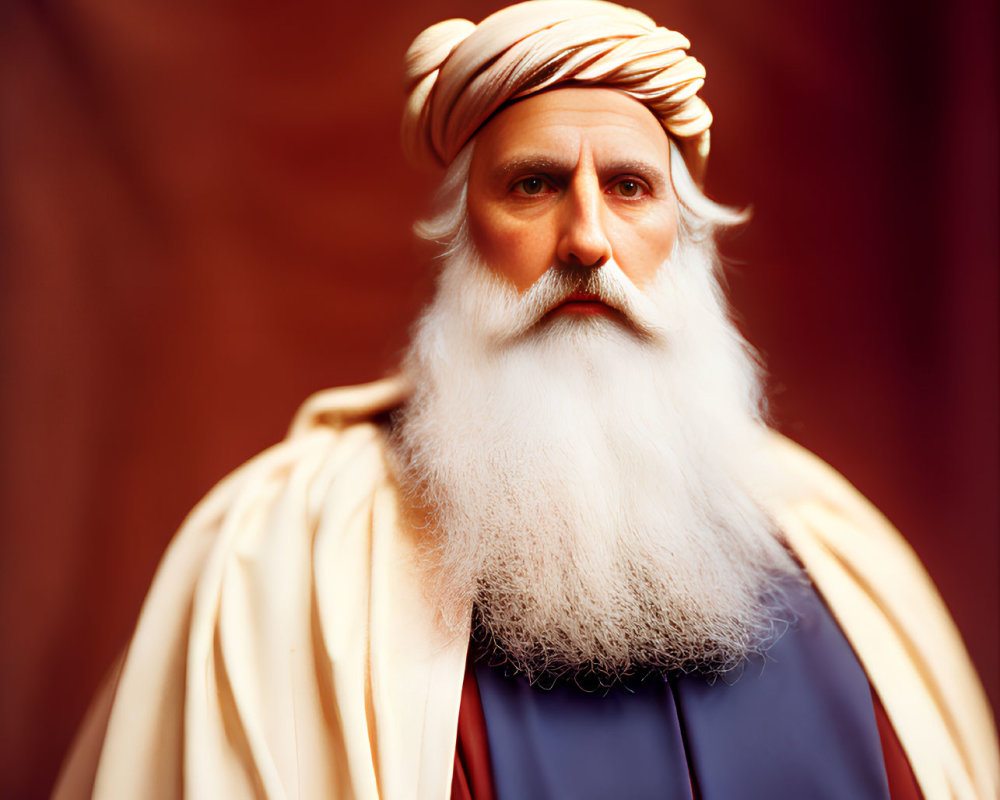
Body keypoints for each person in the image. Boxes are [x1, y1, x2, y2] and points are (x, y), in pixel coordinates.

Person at [54, 1, 997, 798]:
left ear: (688, 237)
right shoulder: (277, 554)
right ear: (463, 235)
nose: (586, 238)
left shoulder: (844, 553)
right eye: (534, 185)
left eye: (630, 187)